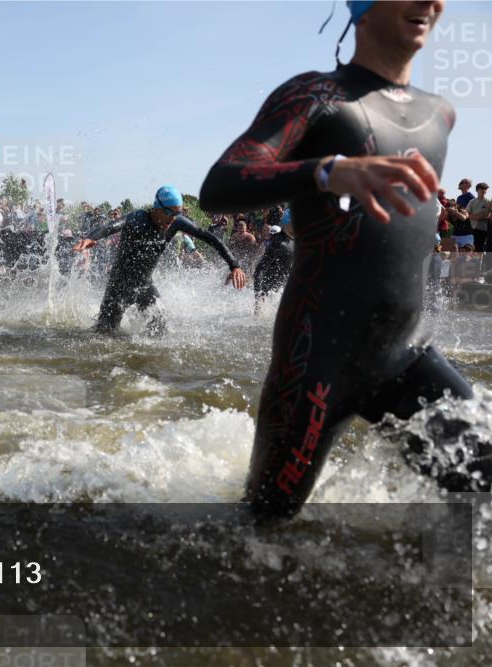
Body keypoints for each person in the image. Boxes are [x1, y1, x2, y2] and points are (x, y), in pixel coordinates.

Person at [199, 0, 490, 518]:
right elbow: (221, 182)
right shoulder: (314, 97)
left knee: (483, 489)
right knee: (262, 527)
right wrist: (328, 171)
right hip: (316, 360)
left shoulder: (440, 114)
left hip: (407, 352)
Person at [73, 185, 246, 335]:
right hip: (119, 286)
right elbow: (109, 227)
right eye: (171, 213)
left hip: (145, 285)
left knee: (160, 328)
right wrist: (92, 237)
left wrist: (234, 265)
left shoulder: (176, 222)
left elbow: (210, 238)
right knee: (104, 335)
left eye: (178, 213)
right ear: (158, 208)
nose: (174, 218)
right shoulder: (137, 219)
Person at [252, 211, 296, 314]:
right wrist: (259, 298)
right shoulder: (278, 243)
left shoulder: (295, 242)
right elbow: (259, 271)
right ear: (287, 222)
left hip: (281, 294)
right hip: (269, 296)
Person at [466, 182, 490, 252]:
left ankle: (479, 263)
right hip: (471, 228)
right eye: (481, 189)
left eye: (485, 189)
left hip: (483, 229)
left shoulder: (488, 202)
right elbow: (466, 214)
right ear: (477, 190)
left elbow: (488, 215)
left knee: (480, 248)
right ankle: (470, 263)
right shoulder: (472, 201)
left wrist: (482, 216)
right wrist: (477, 216)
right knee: (470, 248)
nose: (484, 191)